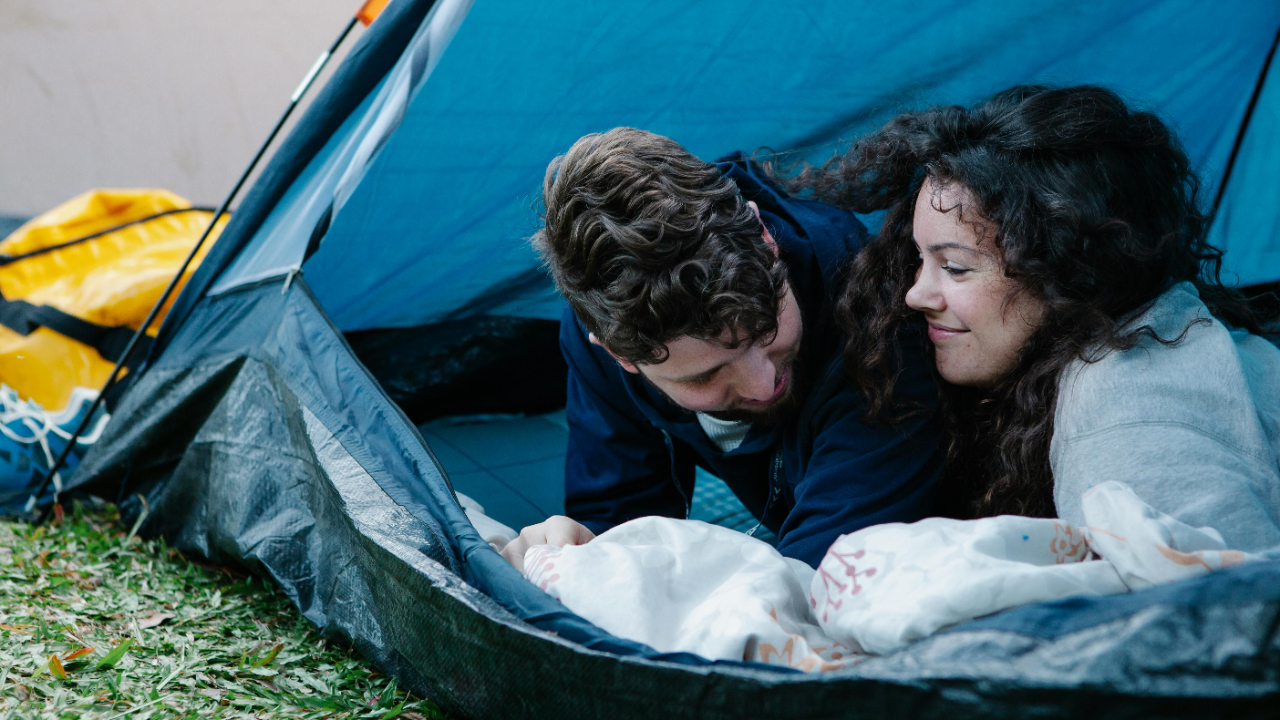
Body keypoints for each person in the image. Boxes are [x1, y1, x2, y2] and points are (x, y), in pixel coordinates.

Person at [801, 85, 1280, 551]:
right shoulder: (1151, 332)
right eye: (919, 258)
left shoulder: (1127, 416)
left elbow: (1220, 610)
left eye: (955, 267)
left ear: (1066, 269)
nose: (914, 295)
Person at [501, 128, 945, 570]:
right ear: (619, 356)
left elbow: (820, 579)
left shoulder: (876, 310)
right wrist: (584, 553)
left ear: (767, 240)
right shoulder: (602, 334)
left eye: (765, 330)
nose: (763, 383)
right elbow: (620, 519)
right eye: (704, 375)